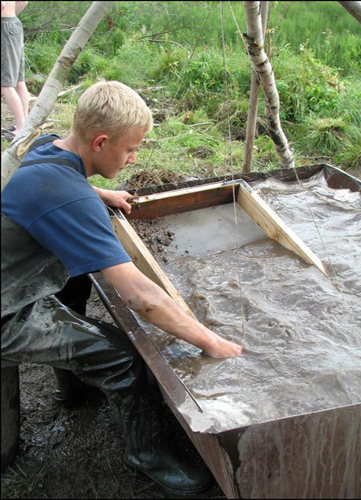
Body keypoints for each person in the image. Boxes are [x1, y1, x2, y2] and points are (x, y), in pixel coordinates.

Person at [1, 80, 243, 494]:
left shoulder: (47, 149)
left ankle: (73, 390)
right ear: (100, 141)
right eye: (130, 149)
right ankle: (147, 456)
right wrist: (212, 341)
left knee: (75, 276)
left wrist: (100, 192)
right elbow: (140, 296)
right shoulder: (70, 199)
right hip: (8, 309)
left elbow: (58, 186)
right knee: (123, 357)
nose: (133, 158)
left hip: (13, 275)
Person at [1, 1, 29, 139]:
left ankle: (20, 129)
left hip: (4, 25)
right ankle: (24, 126)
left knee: (5, 84)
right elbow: (24, 1)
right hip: (14, 23)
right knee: (19, 80)